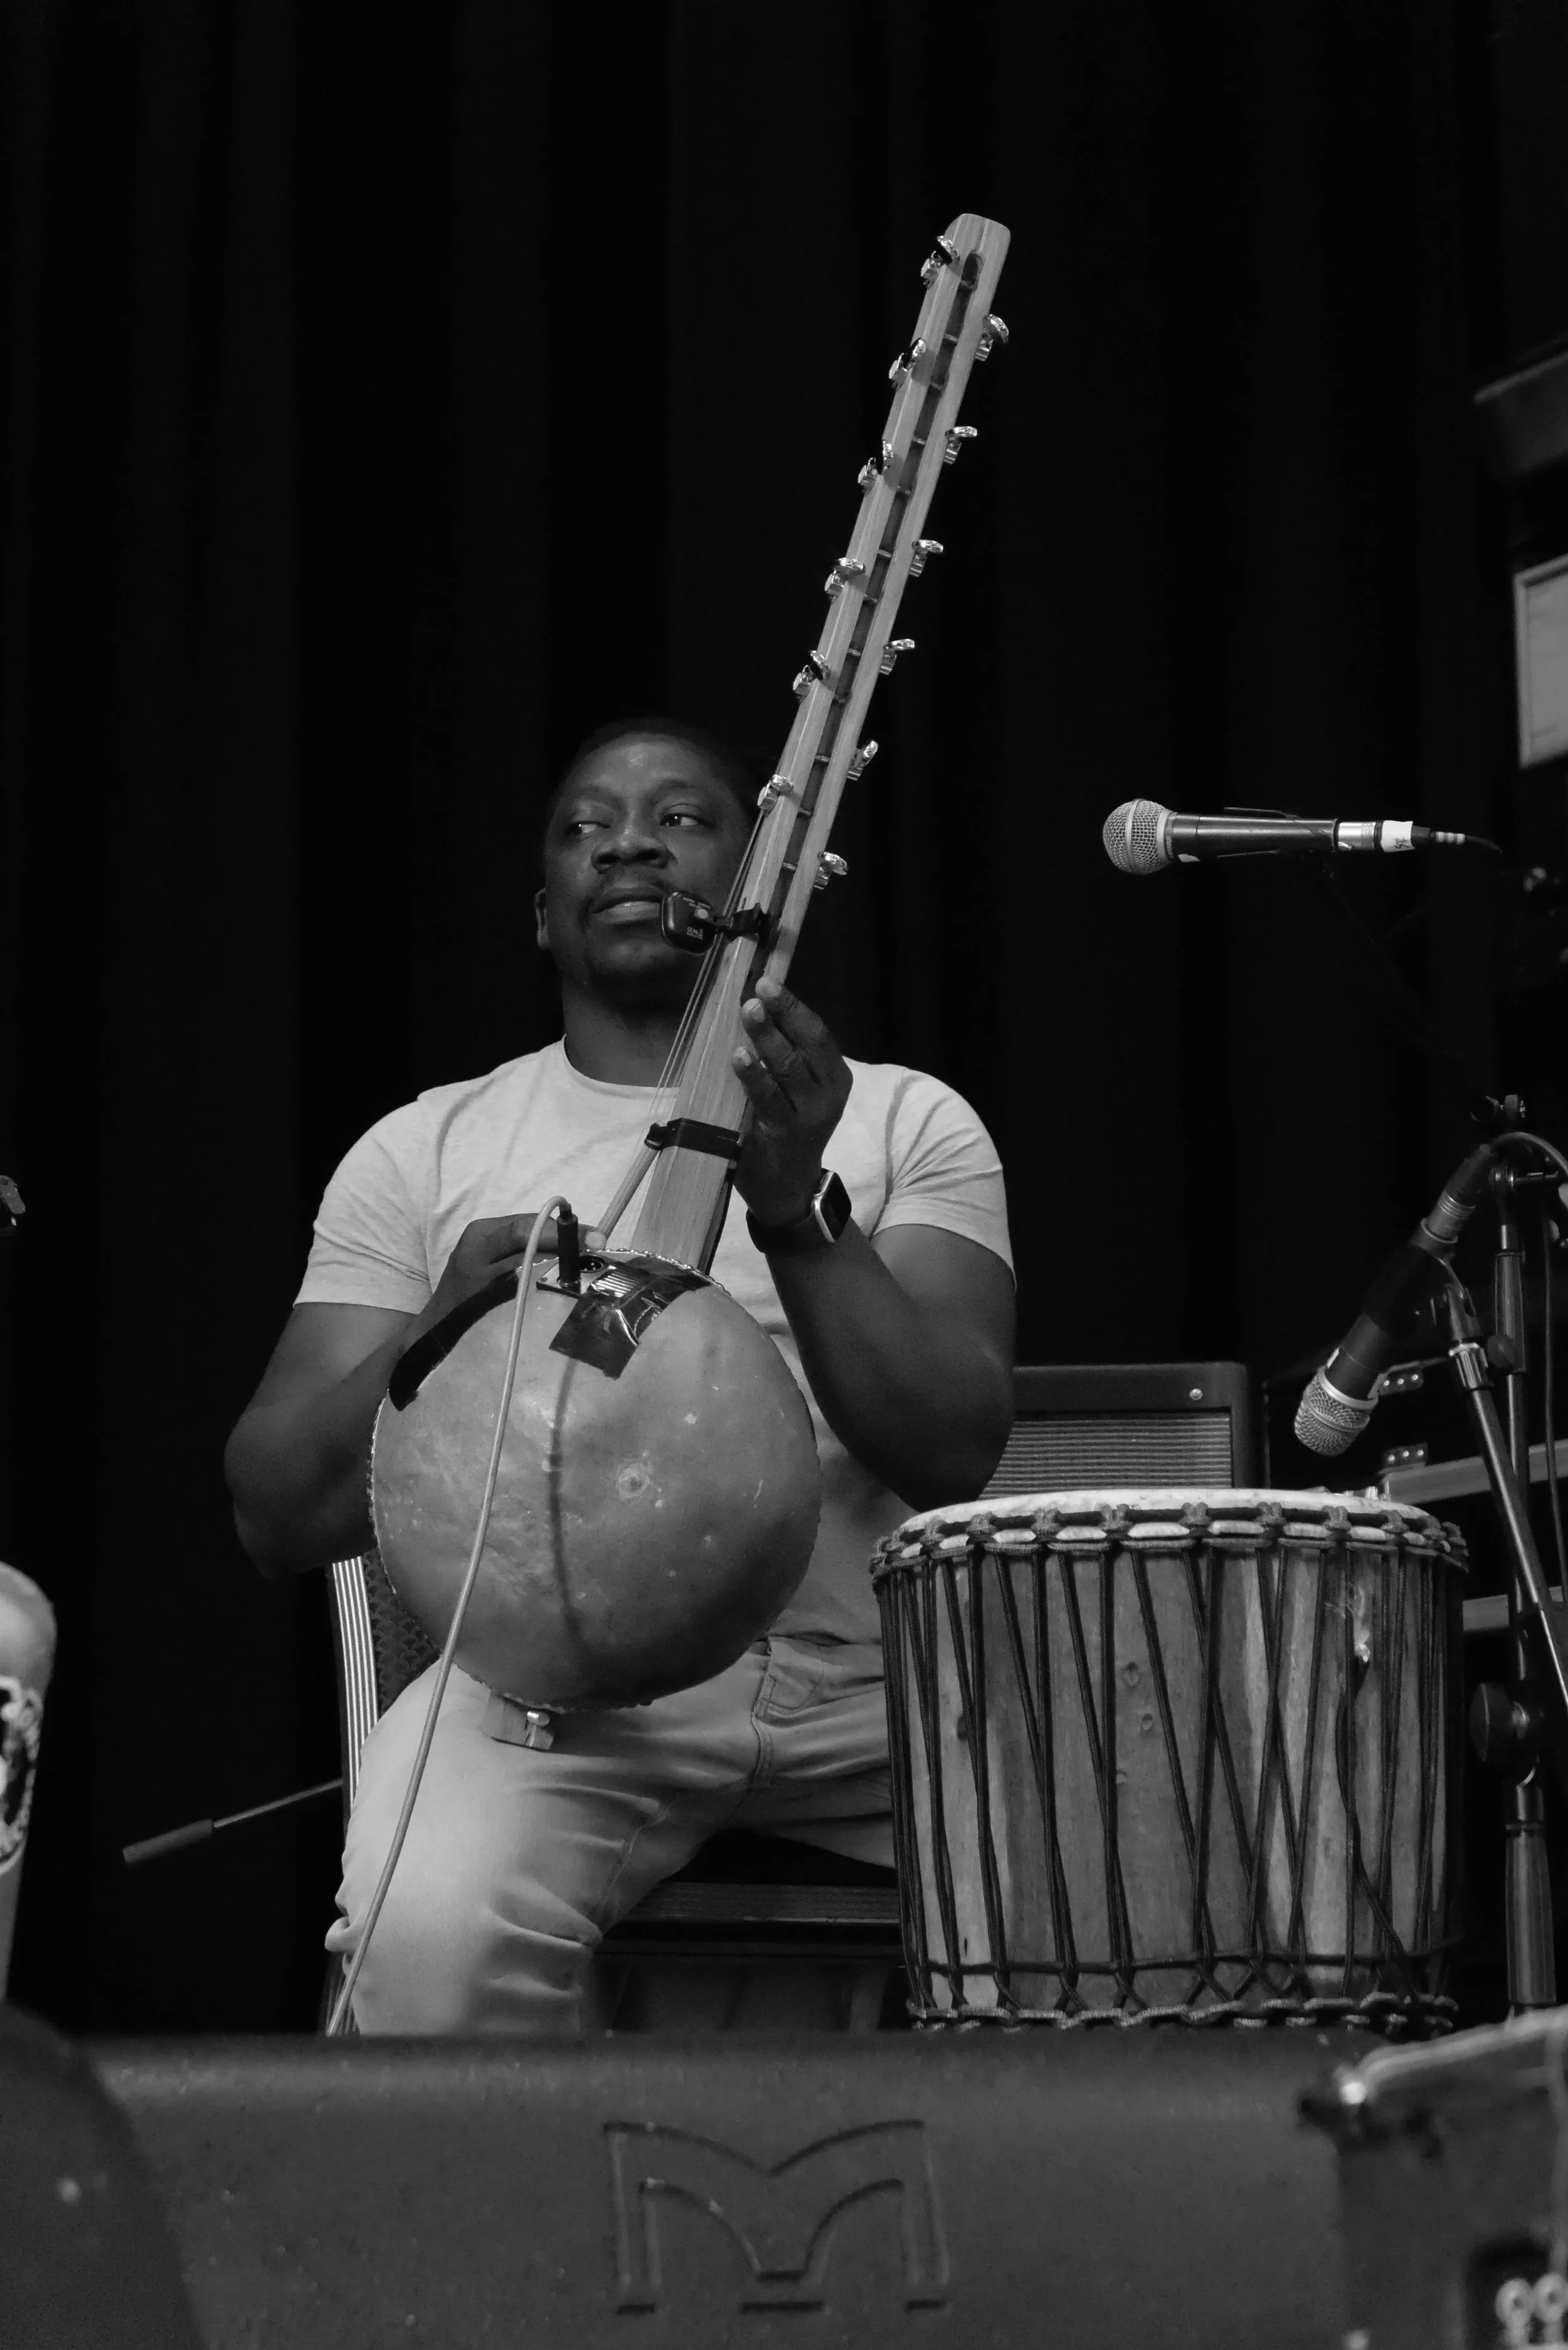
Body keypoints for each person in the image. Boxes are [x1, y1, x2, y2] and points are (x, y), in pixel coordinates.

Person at [225, 719, 1015, 2031]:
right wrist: (440, 1330)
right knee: (421, 1937)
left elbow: (951, 1445)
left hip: (888, 1688)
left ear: (761, 888)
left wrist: (794, 1207)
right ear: (544, 915)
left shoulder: (895, 1119)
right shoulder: (424, 1152)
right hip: (560, 1700)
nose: (631, 841)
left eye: (681, 818)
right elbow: (273, 1512)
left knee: (1132, 1898)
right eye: (587, 825)